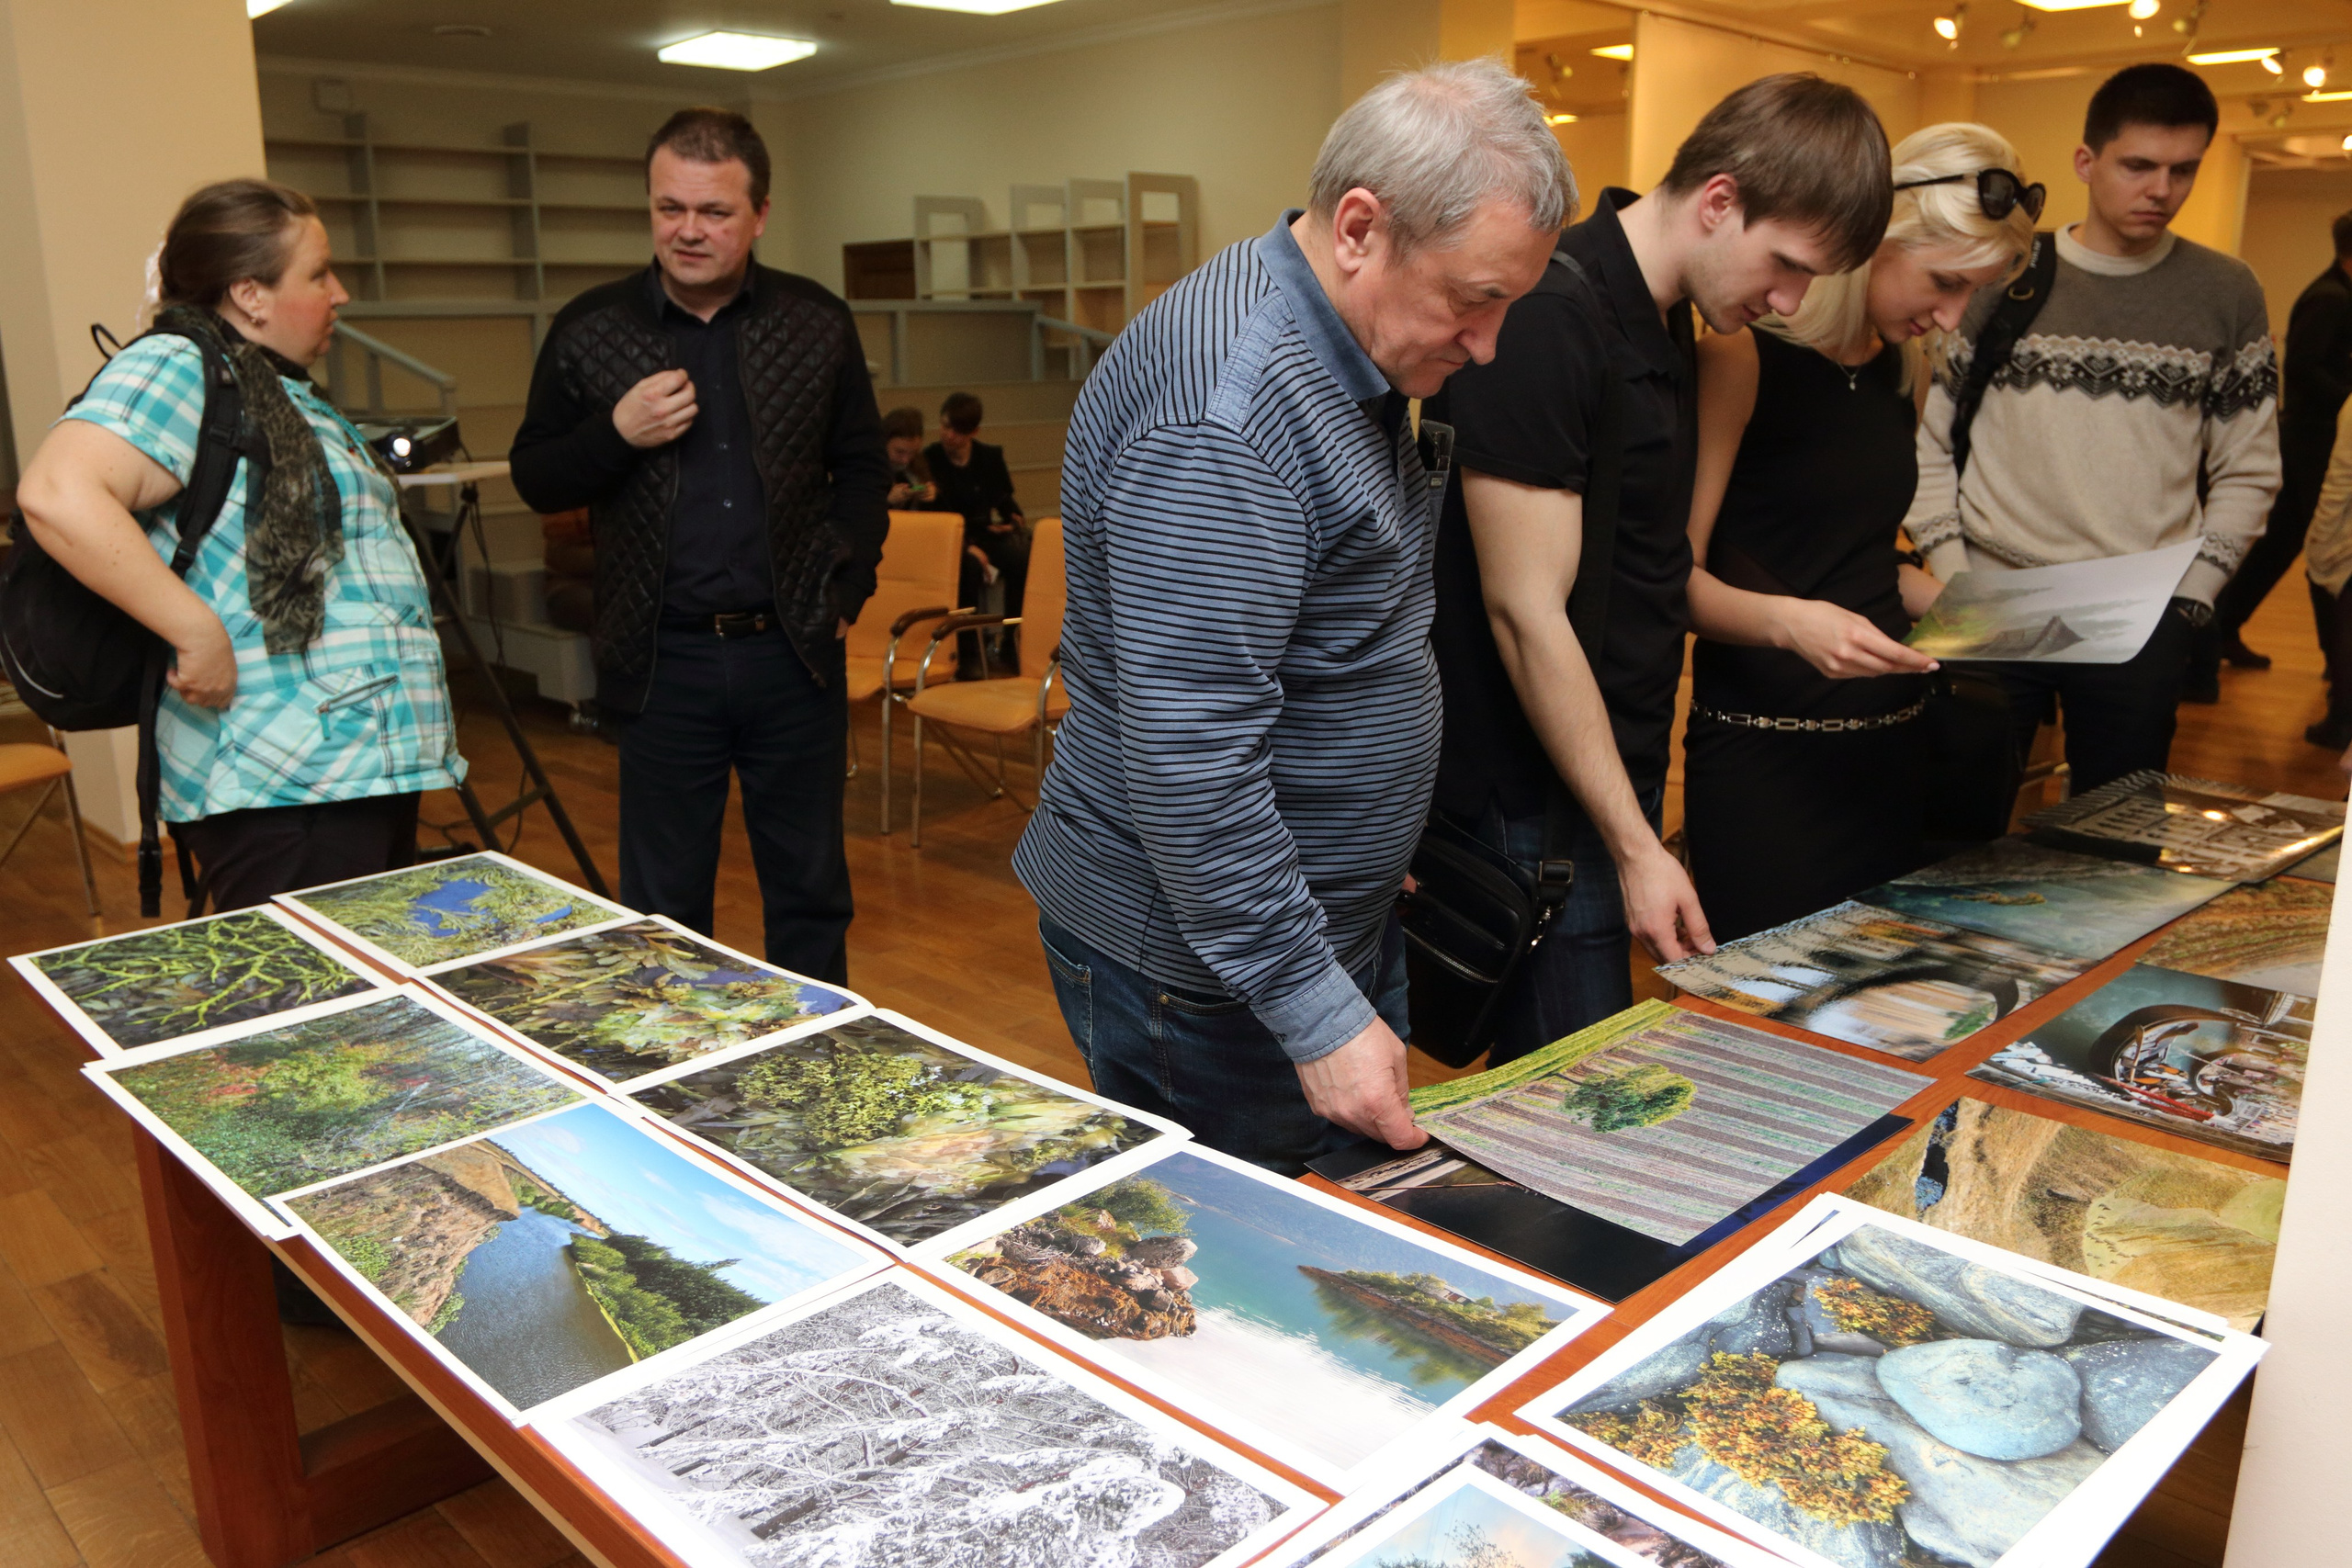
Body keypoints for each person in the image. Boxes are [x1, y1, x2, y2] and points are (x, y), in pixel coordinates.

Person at [1012, 60, 1571, 1172]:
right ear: (1360, 228)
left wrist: (1361, 847)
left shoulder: (1338, 344)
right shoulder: (1229, 415)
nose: (1488, 343)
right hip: (1207, 966)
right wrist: (1312, 1009)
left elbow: (1325, 636)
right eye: (1474, 298)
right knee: (1250, 1288)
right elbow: (1192, 760)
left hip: (1304, 925)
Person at [1424, 73, 1892, 1061]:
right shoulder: (1554, 314)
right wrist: (1636, 847)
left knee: (1568, 1107)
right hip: (1531, 801)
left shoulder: (1680, 325)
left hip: (1608, 780)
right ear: (1718, 202)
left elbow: (1647, 574)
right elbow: (1525, 614)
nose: (1789, 300)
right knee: (1575, 1114)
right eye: (1787, 265)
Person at [508, 107, 888, 984]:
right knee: (662, 906)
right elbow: (536, 477)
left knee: (809, 889)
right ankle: (671, 1080)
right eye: (668, 207)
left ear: (759, 214)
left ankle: (818, 1061)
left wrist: (846, 589)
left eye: (713, 212)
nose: (688, 230)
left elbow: (862, 471)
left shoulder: (817, 321)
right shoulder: (589, 329)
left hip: (793, 654)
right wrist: (615, 432)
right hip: (661, 659)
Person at [17, 178, 465, 912]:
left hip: (347, 770)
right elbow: (59, 493)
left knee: (354, 1014)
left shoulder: (274, 386)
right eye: (318, 274)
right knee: (304, 1012)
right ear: (250, 293)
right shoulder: (180, 362)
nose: (339, 293)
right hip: (286, 781)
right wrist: (195, 631)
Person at [1680, 124, 2039, 942]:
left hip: (1892, 754)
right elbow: (1674, 580)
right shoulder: (1740, 358)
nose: (1950, 315)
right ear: (1874, 239)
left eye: (1970, 296)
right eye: (1943, 282)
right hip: (1766, 763)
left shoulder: (1899, 367)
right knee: (1766, 1014)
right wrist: (1790, 621)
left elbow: (1862, 555)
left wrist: (1961, 602)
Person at [1903, 63, 2278, 795]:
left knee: (2115, 848)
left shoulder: (2227, 291)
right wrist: (1954, 577)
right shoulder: (2006, 269)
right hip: (1988, 597)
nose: (2160, 190)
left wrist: (2191, 600)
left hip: (2140, 611)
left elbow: (2250, 465)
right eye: (2139, 165)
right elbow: (1929, 441)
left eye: (2182, 170)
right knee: (1953, 834)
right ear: (2087, 162)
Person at [2217, 209, 2352, 723]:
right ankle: (2339, 668)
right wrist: (2349, 402)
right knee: (2326, 546)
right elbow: (2301, 370)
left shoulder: (2337, 293)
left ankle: (2228, 628)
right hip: (2312, 441)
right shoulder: (2330, 298)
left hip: (2316, 439)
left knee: (2286, 544)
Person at [925, 391, 1027, 670]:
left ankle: (1011, 640)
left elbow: (1005, 501)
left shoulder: (989, 457)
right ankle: (969, 650)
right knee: (968, 566)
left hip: (984, 532)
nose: (948, 436)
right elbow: (936, 514)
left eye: (957, 431)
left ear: (973, 432)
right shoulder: (931, 458)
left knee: (1021, 559)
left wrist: (1013, 521)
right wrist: (968, 544)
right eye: (945, 427)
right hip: (954, 537)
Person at [882, 405, 935, 508]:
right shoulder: (868, 469)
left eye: (913, 452)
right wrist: (887, 500)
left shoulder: (919, 465)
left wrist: (929, 492)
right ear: (884, 443)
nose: (905, 460)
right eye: (899, 452)